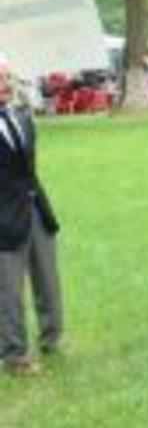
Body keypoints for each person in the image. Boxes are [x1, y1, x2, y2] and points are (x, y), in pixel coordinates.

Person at [0, 58, 62, 376]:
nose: (5, 84)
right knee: (9, 290)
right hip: (4, 218)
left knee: (48, 278)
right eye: (0, 79)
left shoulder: (22, 116)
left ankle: (52, 338)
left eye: (7, 77)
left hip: (36, 208)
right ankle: (14, 355)